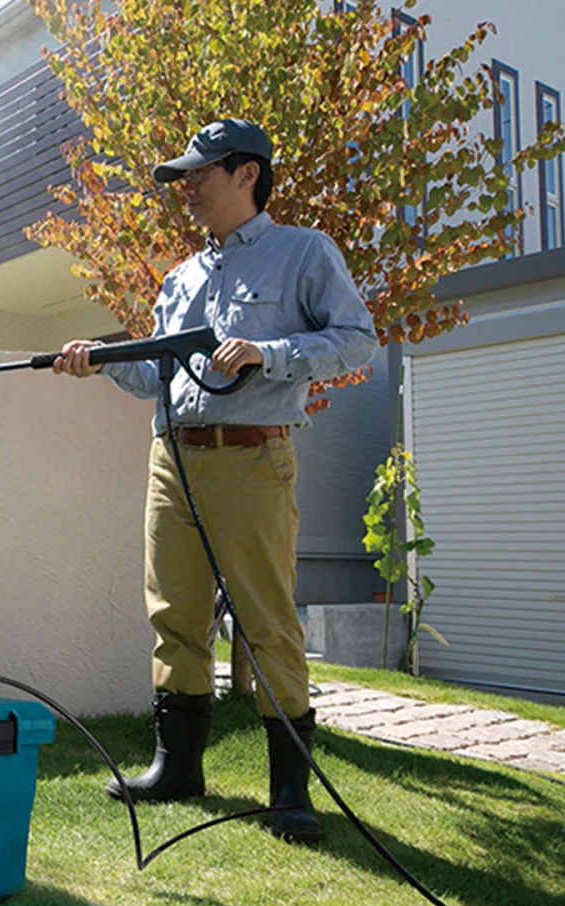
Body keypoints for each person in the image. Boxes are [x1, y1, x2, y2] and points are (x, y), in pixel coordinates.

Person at [53, 119, 379, 843]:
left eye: (199, 174)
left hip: (252, 460)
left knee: (267, 624)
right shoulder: (181, 277)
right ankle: (177, 770)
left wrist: (268, 353)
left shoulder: (304, 252)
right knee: (175, 615)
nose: (188, 188)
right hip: (172, 461)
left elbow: (357, 340)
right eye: (184, 177)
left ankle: (290, 793)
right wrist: (100, 361)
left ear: (246, 174)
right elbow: (157, 377)